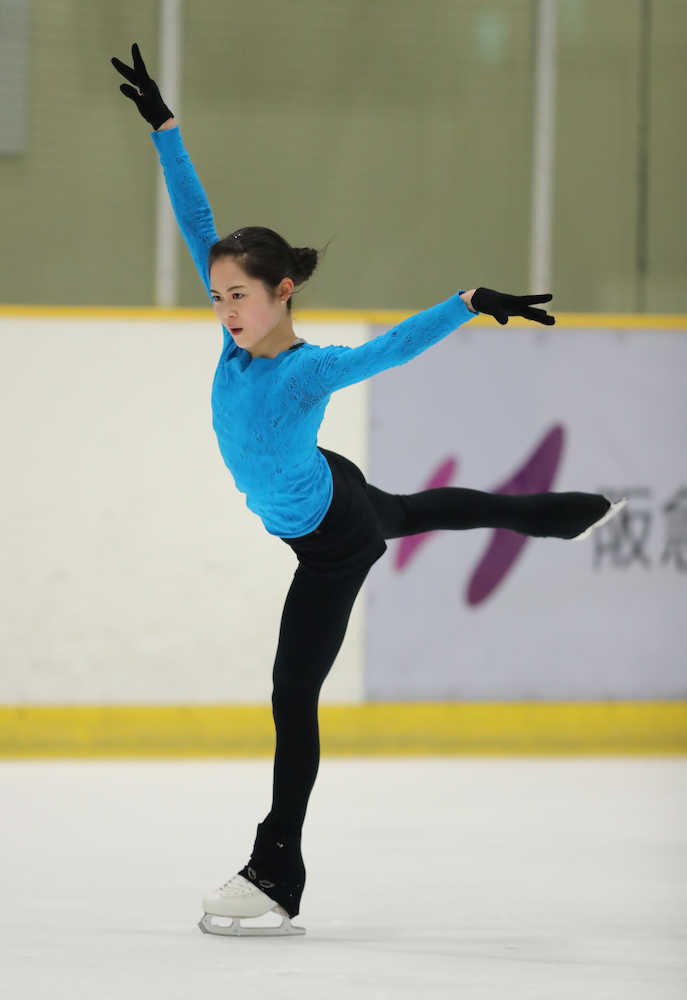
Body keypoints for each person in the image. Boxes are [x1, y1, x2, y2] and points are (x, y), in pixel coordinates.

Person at [111, 43, 626, 937]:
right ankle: (545, 516)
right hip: (330, 492)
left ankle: (276, 871)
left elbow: (388, 350)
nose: (225, 308)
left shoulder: (307, 372)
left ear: (283, 293)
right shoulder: (236, 338)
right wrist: (165, 126)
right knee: (417, 510)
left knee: (290, 692)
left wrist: (465, 300)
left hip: (329, 536)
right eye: (216, 294)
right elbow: (198, 215)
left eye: (240, 294)